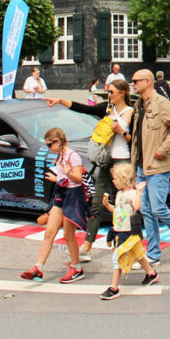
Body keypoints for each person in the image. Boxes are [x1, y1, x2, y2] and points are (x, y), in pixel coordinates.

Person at [47, 79, 134, 261]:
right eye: (108, 92)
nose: (109, 95)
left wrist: (120, 131)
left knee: (125, 205)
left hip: (122, 161)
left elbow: (132, 140)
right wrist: (61, 100)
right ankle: (87, 247)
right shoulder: (108, 109)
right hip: (105, 162)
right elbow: (83, 108)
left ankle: (131, 249)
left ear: (122, 93)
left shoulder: (131, 112)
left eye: (111, 92)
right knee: (97, 203)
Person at [129, 69, 170, 266]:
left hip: (158, 164)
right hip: (143, 164)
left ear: (147, 82)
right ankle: (153, 254)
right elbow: (136, 138)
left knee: (158, 208)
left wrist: (164, 148)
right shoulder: (139, 104)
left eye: (135, 81)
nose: (133, 84)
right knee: (147, 211)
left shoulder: (161, 103)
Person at [20, 127, 90, 283]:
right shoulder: (59, 157)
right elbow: (62, 178)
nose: (49, 149)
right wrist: (57, 178)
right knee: (49, 233)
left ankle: (77, 268)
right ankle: (38, 268)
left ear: (58, 142)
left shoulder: (73, 156)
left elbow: (78, 179)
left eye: (50, 145)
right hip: (60, 196)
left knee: (68, 235)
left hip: (72, 197)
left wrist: (66, 173)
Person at [99, 162, 159, 299]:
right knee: (138, 253)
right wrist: (108, 205)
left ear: (124, 179)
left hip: (128, 232)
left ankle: (114, 287)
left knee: (117, 258)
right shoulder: (120, 194)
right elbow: (118, 211)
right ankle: (151, 273)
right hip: (120, 230)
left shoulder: (131, 194)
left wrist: (138, 192)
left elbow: (137, 206)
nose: (113, 181)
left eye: (115, 179)